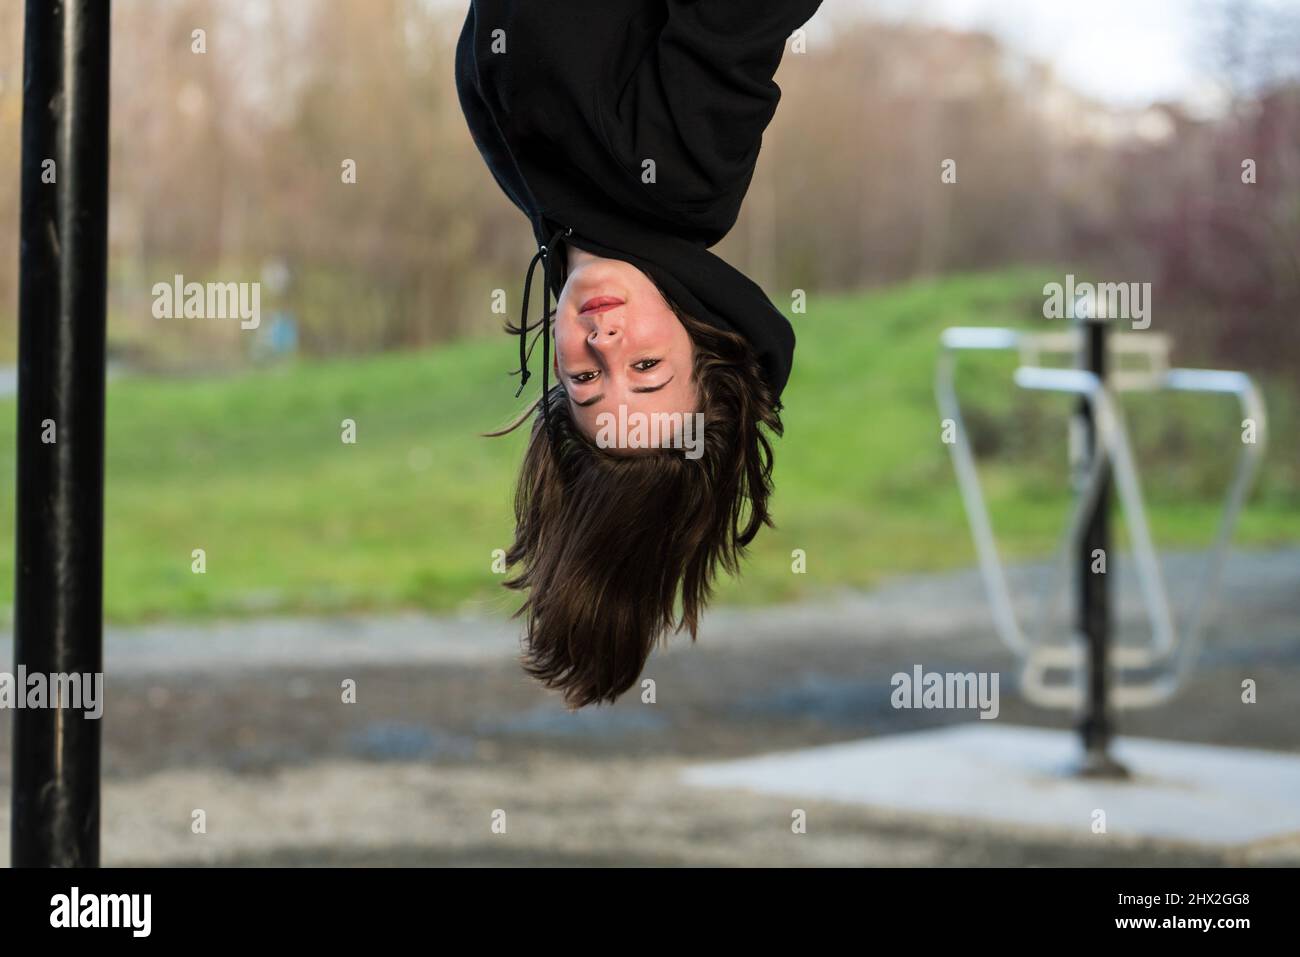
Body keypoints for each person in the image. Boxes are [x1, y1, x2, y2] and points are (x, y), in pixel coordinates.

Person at [456, 0, 822, 707]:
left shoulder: (542, 195)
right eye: (648, 371)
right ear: (698, 336)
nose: (603, 342)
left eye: (588, 381)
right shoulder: (683, 176)